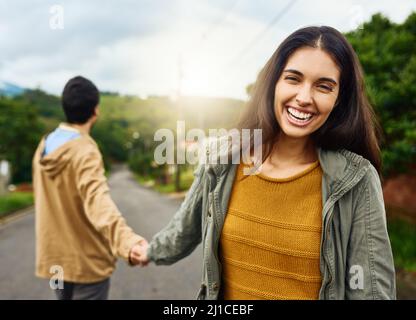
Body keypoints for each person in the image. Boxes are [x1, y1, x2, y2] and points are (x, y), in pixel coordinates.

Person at [136, 26, 396, 300]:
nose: (305, 98)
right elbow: (185, 228)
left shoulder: (356, 179)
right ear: (274, 83)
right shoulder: (224, 160)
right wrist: (148, 251)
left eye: (323, 86)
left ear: (338, 99)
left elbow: (372, 291)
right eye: (293, 79)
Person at [32, 76, 147, 300]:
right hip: (87, 265)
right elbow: (97, 202)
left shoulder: (43, 145)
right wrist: (127, 242)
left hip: (56, 264)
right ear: (96, 111)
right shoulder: (85, 149)